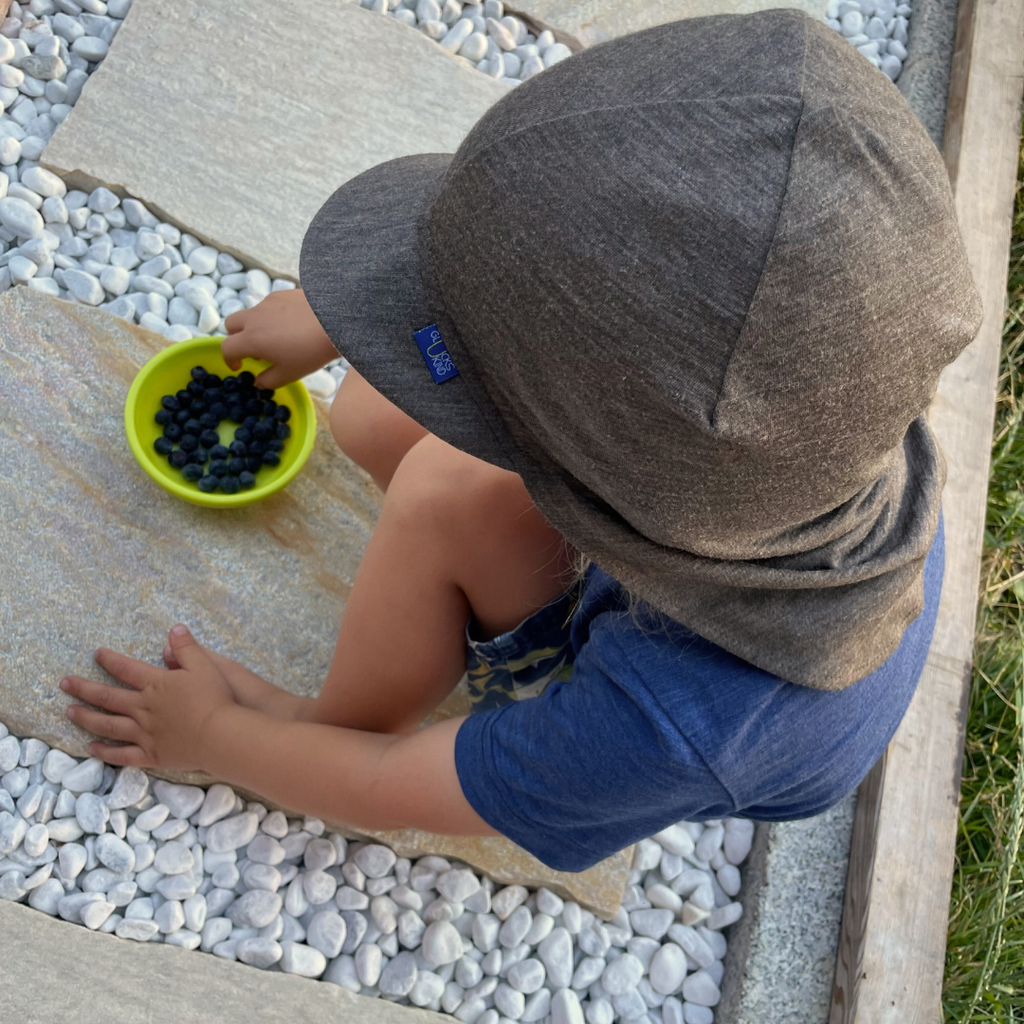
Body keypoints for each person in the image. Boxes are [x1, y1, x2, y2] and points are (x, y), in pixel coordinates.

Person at [60, 8, 982, 873]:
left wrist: (220, 740)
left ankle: (335, 717)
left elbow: (388, 790)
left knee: (439, 492)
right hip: (681, 549)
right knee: (370, 415)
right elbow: (600, 310)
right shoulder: (833, 370)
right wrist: (372, 310)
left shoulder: (675, 724)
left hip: (629, 656)